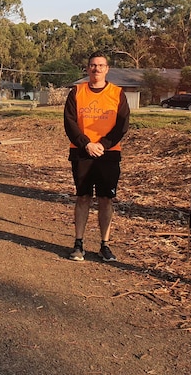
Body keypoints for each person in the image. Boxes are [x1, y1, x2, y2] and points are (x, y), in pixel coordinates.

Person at [63, 51, 130, 262]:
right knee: (83, 198)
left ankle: (104, 244)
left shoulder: (117, 93)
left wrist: (102, 145)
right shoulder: (77, 92)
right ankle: (78, 243)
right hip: (82, 153)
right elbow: (69, 122)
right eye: (93, 65)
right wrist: (87, 144)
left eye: (101, 65)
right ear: (87, 68)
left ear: (107, 69)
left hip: (108, 154)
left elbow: (122, 125)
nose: (96, 69)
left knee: (105, 199)